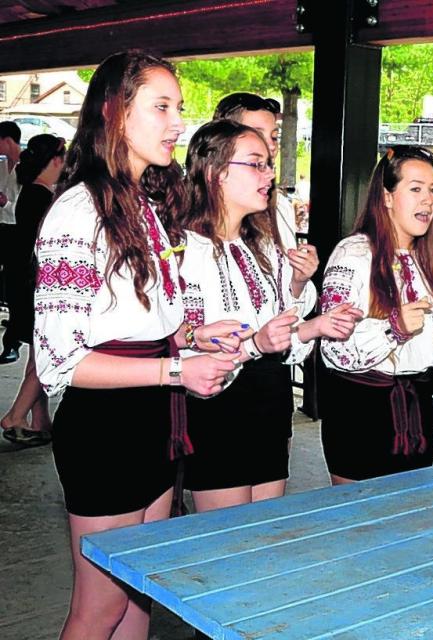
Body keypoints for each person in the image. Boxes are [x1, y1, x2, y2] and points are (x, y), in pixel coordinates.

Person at [33, 50, 243, 640]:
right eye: (161, 107)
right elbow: (61, 360)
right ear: (113, 112)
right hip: (106, 422)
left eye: (178, 107)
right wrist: (177, 371)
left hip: (153, 412)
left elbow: (143, 321)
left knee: (138, 599)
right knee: (98, 606)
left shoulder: (145, 206)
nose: (178, 122)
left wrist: (194, 337)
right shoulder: (78, 213)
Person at [177, 119, 362, 512]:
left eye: (267, 164)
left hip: (269, 397)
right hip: (219, 406)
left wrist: (306, 310)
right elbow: (188, 356)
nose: (269, 173)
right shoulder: (184, 249)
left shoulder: (258, 244)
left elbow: (279, 331)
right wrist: (259, 344)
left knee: (261, 532)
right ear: (216, 173)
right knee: (226, 542)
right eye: (256, 164)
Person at [319, 145, 433, 483]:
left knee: (410, 523)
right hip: (361, 412)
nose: (427, 200)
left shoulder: (430, 263)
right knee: (360, 525)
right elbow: (333, 346)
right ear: (386, 197)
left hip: (417, 413)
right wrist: (393, 328)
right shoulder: (353, 253)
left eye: (432, 190)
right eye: (415, 189)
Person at [0, 135, 65, 447]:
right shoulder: (44, 197)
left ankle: (40, 421)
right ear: (54, 159)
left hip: (25, 280)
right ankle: (16, 416)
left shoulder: (34, 192)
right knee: (46, 355)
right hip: (37, 283)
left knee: (38, 355)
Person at [212, 92, 297, 252]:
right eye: (257, 134)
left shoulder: (280, 206)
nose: (270, 145)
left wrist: (298, 277)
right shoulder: (190, 227)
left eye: (274, 137)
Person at [0, 121, 23, 364]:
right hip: (2, 227)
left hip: (17, 230)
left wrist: (5, 202)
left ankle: (13, 341)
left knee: (15, 282)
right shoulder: (1, 167)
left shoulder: (27, 167)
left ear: (8, 140)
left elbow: (28, 205)